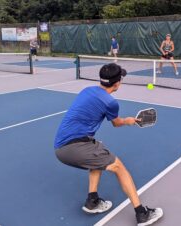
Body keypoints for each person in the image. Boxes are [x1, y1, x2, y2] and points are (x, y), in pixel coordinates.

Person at [54, 63, 163, 226]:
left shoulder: (86, 90)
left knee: (98, 151)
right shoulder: (110, 102)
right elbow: (116, 123)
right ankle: (142, 213)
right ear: (117, 83)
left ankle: (92, 201)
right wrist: (129, 121)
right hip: (75, 147)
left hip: (60, 146)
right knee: (119, 167)